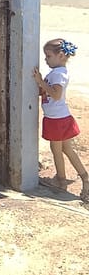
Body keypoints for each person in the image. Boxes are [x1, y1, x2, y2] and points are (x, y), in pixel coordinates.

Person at [33, 38, 89, 200]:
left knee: (56, 150)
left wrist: (41, 82)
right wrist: (41, 85)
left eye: (49, 56)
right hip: (60, 117)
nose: (46, 59)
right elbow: (48, 93)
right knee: (67, 149)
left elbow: (56, 95)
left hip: (56, 120)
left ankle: (61, 180)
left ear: (61, 56)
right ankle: (85, 177)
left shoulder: (58, 75)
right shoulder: (57, 73)